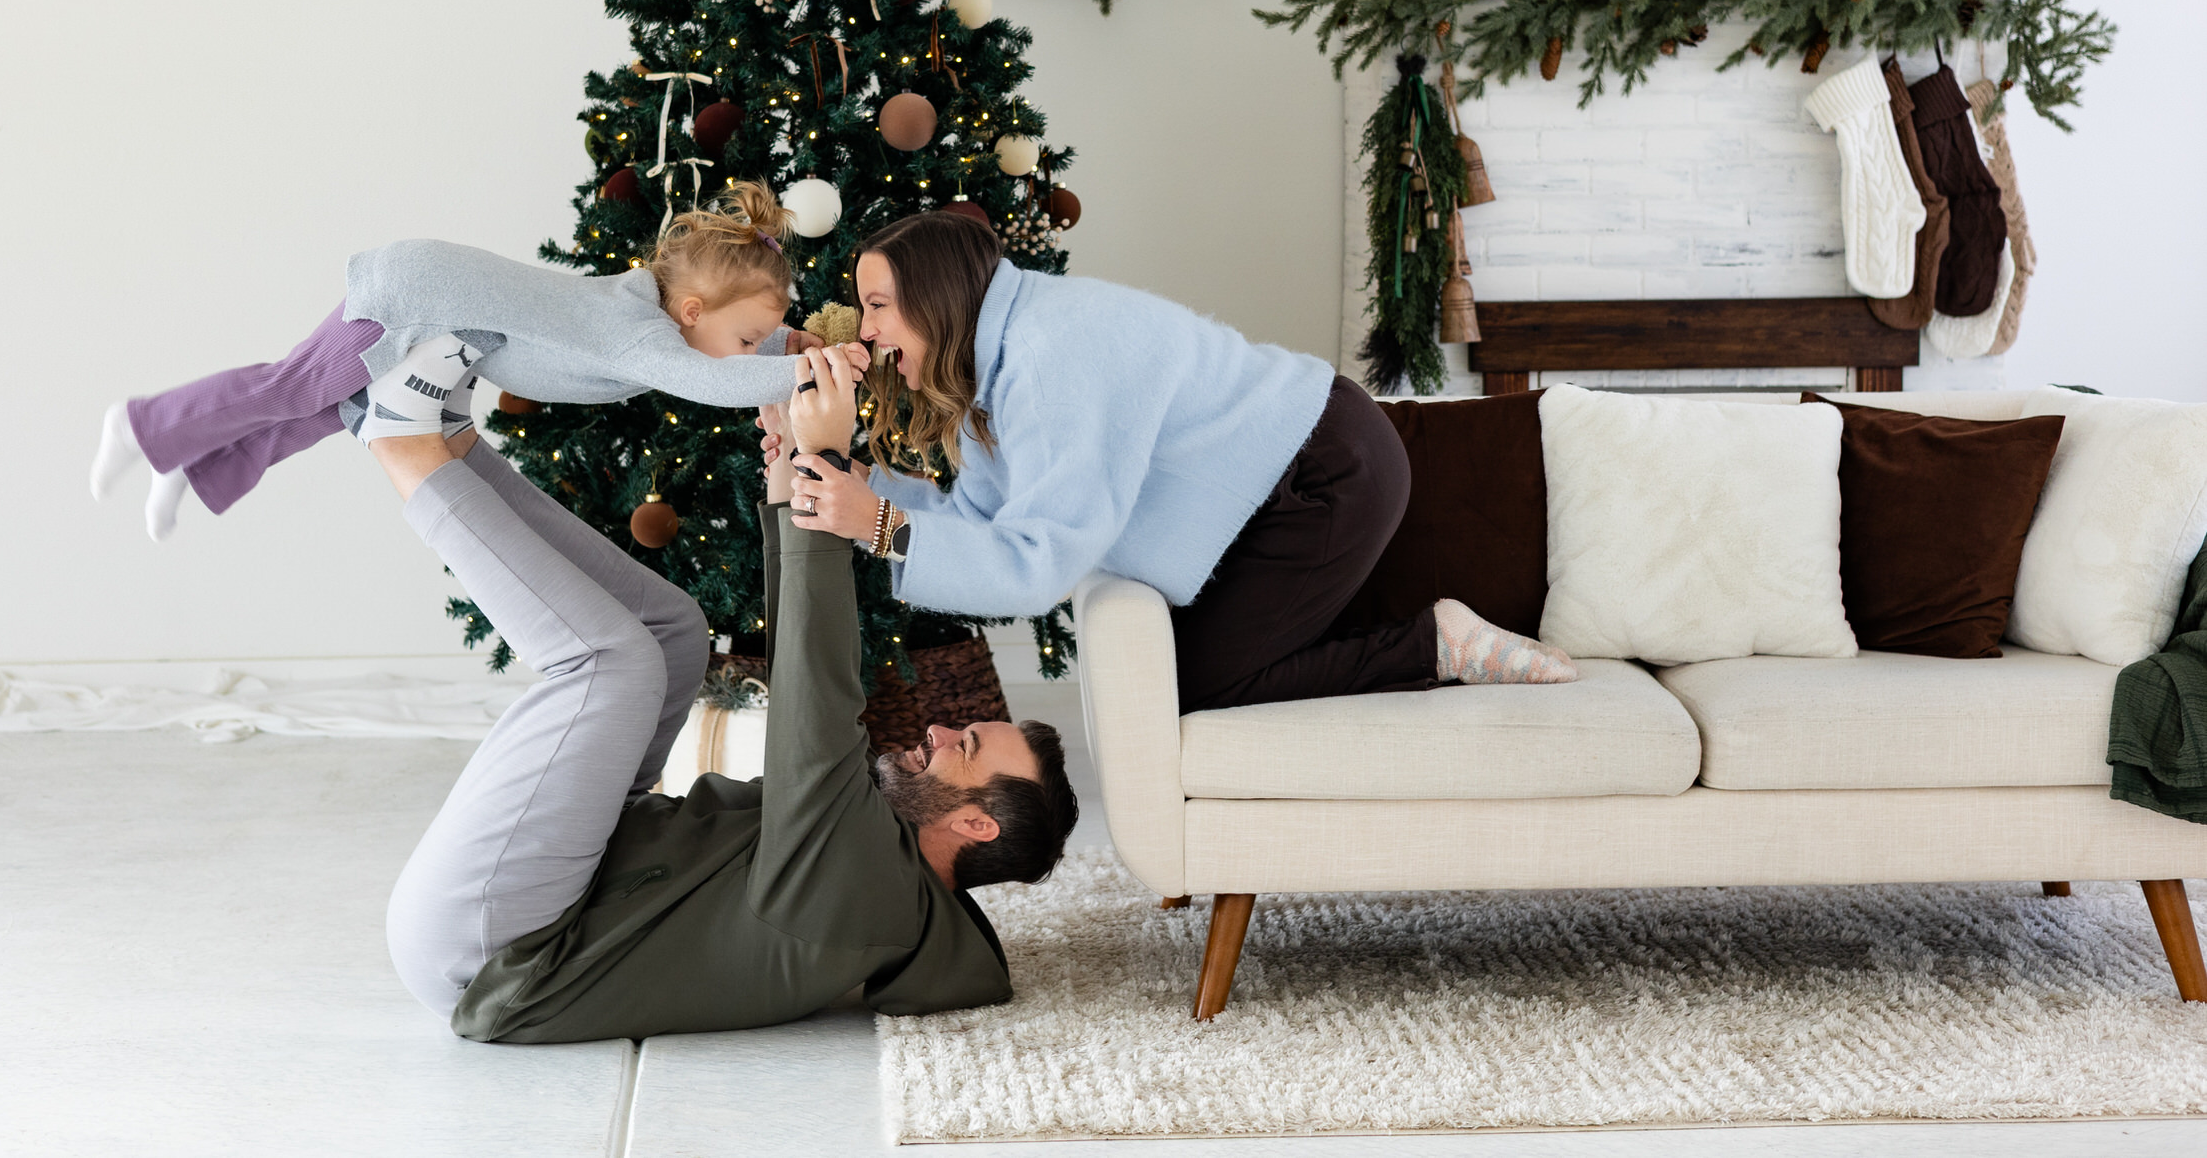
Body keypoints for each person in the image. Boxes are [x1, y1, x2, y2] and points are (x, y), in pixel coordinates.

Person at [369, 342, 1074, 1040]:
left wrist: (826, 460)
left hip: (494, 951)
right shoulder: (882, 854)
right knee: (673, 632)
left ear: (978, 825)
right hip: (567, 891)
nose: (940, 731)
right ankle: (451, 444)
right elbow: (803, 658)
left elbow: (816, 700)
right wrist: (787, 476)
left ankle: (403, 445)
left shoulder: (873, 897)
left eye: (969, 746)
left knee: (613, 663)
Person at [783, 212, 1576, 712]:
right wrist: (857, 487)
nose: (868, 329)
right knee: (1186, 668)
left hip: (1322, 472)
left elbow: (1035, 563)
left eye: (879, 305)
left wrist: (880, 524)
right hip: (1290, 472)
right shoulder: (1003, 360)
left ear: (938, 300)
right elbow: (985, 520)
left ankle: (1434, 644)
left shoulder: (1049, 354)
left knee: (1188, 683)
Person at [88, 182, 813, 541]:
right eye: (753, 338)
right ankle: (141, 423)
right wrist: (817, 372)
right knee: (293, 387)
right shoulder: (641, 335)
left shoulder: (654, 320)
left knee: (325, 412)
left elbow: (723, 353)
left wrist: (792, 346)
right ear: (692, 311)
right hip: (416, 298)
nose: (755, 350)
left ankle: (186, 457)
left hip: (454, 326)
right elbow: (713, 378)